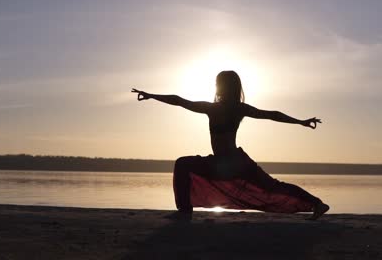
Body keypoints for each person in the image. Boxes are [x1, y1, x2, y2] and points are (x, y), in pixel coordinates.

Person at [132, 70, 329, 221]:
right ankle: (317, 204)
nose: (216, 87)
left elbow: (272, 114)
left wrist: (300, 121)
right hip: (231, 162)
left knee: (183, 164)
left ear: (223, 87)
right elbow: (179, 101)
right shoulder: (230, 108)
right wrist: (151, 95)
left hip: (230, 163)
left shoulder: (219, 108)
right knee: (272, 186)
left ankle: (184, 212)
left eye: (217, 84)